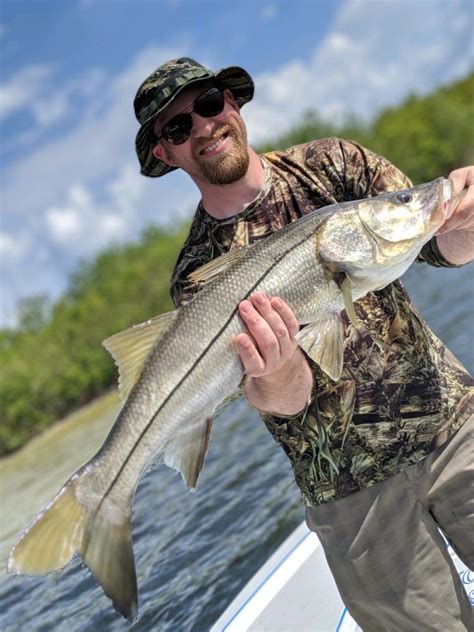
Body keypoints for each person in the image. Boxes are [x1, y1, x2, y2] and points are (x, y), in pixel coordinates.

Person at [133, 58, 474, 630]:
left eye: (210, 104)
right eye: (176, 127)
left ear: (234, 104)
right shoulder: (198, 276)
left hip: (455, 429)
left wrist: (463, 208)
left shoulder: (331, 164)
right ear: (165, 154)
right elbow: (284, 403)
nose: (203, 127)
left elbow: (444, 246)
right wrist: (280, 366)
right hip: (352, 500)